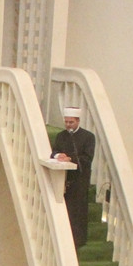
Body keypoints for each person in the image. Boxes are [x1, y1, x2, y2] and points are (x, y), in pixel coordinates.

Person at [51, 105, 95, 248]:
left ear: (78, 121)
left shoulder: (88, 137)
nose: (68, 125)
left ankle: (78, 240)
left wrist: (70, 158)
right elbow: (54, 152)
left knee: (78, 211)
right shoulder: (61, 136)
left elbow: (87, 158)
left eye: (71, 122)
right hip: (64, 178)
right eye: (66, 122)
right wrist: (59, 156)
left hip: (79, 179)